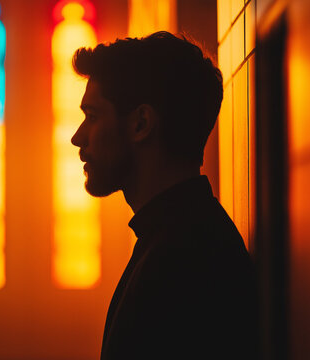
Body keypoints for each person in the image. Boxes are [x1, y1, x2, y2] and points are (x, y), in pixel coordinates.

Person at [70, 31, 259, 359]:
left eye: (93, 115)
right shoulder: (183, 237)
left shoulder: (183, 260)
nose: (77, 137)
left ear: (141, 123)